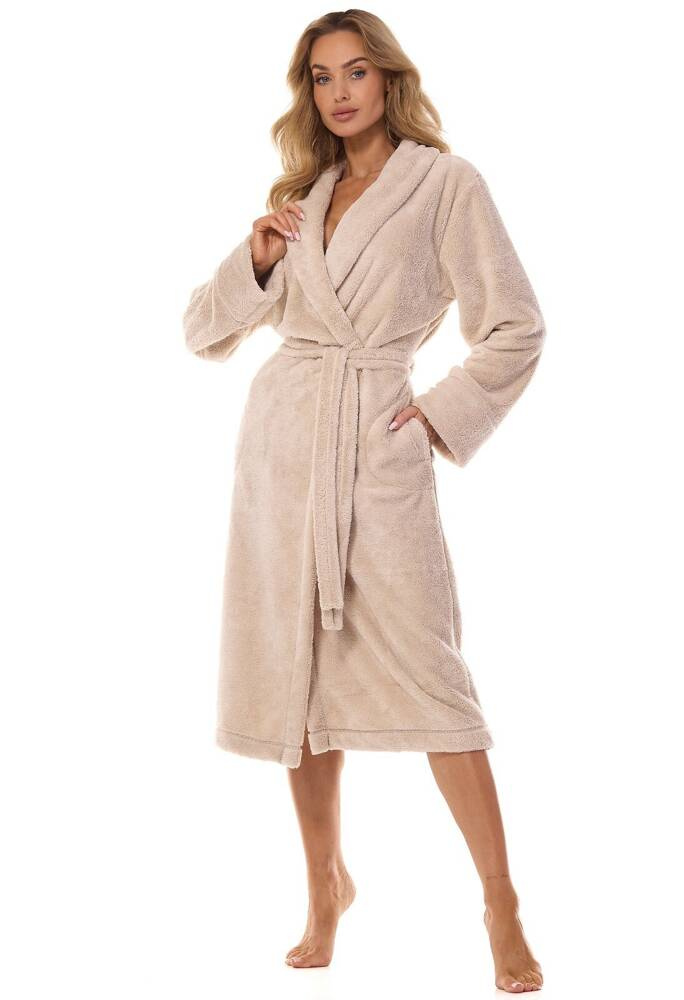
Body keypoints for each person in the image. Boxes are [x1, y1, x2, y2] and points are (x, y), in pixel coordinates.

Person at [183, 10, 544, 993]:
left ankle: (501, 902)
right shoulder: (300, 200)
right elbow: (201, 331)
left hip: (377, 446)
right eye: (321, 77)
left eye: (355, 72)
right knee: (295, 678)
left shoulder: (446, 184)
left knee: (434, 679)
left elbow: (516, 325)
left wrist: (435, 417)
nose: (339, 92)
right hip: (284, 450)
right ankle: (325, 888)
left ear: (388, 79)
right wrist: (259, 259)